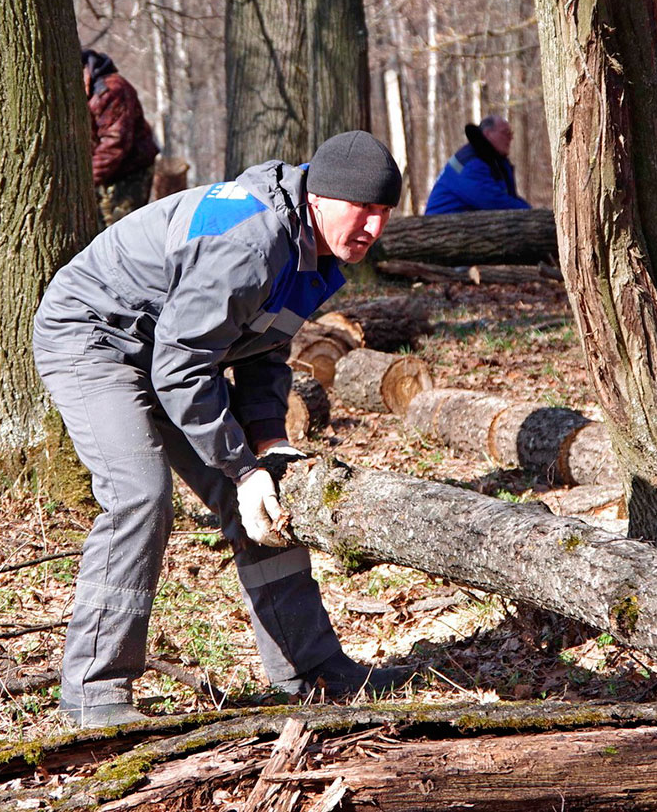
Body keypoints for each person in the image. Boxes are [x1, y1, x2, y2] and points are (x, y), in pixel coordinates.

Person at [34, 130, 410, 727]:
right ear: (319, 197)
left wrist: (268, 446)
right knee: (140, 495)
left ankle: (312, 671)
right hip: (95, 337)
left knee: (265, 505)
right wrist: (241, 467)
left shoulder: (314, 252)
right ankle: (94, 691)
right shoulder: (251, 241)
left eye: (384, 213)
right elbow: (180, 364)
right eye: (362, 209)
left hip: (171, 351)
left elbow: (263, 350)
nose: (373, 227)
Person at [84, 48, 160, 226]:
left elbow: (115, 143)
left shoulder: (111, 90)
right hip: (104, 173)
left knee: (120, 233)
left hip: (130, 173)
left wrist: (86, 180)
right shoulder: (84, 92)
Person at [424, 115, 531, 214]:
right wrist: (529, 213)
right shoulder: (471, 162)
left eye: (511, 134)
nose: (510, 138)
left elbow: (508, 197)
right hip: (444, 224)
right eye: (505, 133)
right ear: (488, 133)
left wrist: (530, 211)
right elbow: (492, 201)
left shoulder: (495, 162)